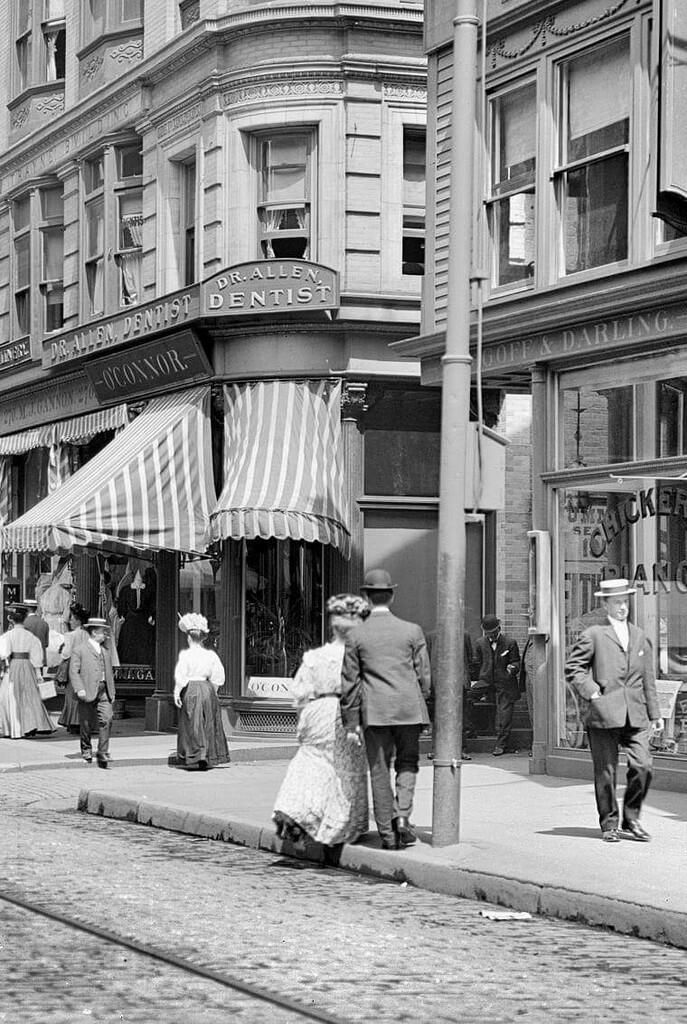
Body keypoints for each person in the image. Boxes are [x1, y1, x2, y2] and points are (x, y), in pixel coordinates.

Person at [565, 579, 662, 844]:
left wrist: (656, 713)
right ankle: (609, 823)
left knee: (643, 765)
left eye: (625, 601)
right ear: (606, 604)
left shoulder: (640, 635)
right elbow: (573, 668)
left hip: (637, 713)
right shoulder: (594, 634)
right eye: (617, 602)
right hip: (604, 713)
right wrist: (592, 691)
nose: (622, 607)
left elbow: (648, 678)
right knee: (606, 772)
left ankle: (632, 819)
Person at [341, 568, 431, 850]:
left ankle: (389, 836)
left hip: (375, 713)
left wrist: (351, 721)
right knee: (407, 764)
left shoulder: (356, 636)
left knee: (379, 771)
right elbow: (424, 676)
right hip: (408, 711)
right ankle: (403, 815)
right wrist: (421, 698)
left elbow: (349, 683)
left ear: (366, 597)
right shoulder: (412, 631)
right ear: (391, 596)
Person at [273, 594, 371, 850]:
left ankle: (297, 811)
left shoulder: (315, 657)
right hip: (343, 711)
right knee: (343, 766)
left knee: (313, 761)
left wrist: (303, 720)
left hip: (316, 711)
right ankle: (338, 823)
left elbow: (300, 693)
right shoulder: (358, 657)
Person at [173, 612, 229, 771]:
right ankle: (208, 754)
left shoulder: (186, 655)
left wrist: (177, 692)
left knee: (192, 722)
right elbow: (218, 675)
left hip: (191, 687)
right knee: (208, 722)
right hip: (207, 688)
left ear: (189, 638)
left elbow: (181, 675)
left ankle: (195, 755)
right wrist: (213, 690)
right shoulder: (210, 655)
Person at [0, 604, 56, 738]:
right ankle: (30, 725)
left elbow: (4, 654)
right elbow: (37, 657)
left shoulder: (7, 636)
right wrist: (38, 675)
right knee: (29, 696)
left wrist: (3, 669)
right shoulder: (31, 637)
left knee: (10, 696)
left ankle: (13, 728)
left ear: (11, 620)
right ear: (24, 618)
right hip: (28, 666)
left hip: (13, 666)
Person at [470, 614, 520, 756]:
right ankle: (469, 731)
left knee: (505, 714)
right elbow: (475, 664)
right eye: (488, 633)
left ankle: (501, 745)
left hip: (505, 682)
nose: (491, 635)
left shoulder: (510, 643)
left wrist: (511, 669)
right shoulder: (480, 643)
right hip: (485, 680)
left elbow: (516, 661)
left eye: (493, 632)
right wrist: (474, 681)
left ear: (499, 628)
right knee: (466, 697)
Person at [69, 617, 116, 768]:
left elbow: (109, 672)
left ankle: (102, 752)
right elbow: (73, 672)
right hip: (87, 689)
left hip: (104, 690)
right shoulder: (80, 650)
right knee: (86, 722)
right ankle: (86, 749)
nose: (106, 635)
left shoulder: (106, 651)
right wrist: (79, 688)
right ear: (95, 632)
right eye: (103, 632)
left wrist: (112, 690)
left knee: (107, 719)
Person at [57, 604, 90, 734]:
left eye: (72, 618)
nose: (70, 621)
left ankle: (74, 721)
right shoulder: (88, 634)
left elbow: (66, 653)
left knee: (72, 694)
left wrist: (61, 651)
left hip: (74, 666)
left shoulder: (71, 636)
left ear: (77, 620)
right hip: (86, 666)